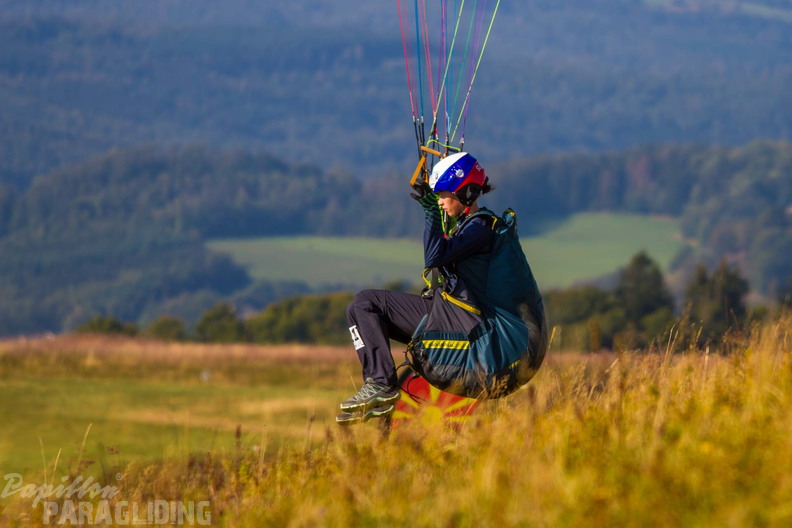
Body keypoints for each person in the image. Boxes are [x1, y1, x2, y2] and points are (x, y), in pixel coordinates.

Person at [340, 152, 501, 418]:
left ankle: (381, 383)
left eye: (444, 195)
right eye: (437, 197)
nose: (440, 202)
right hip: (449, 314)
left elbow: (435, 256)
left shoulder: (481, 227)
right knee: (358, 311)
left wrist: (431, 216)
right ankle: (379, 386)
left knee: (367, 302)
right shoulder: (467, 226)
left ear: (467, 193)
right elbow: (440, 255)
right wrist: (437, 215)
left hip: (463, 323)